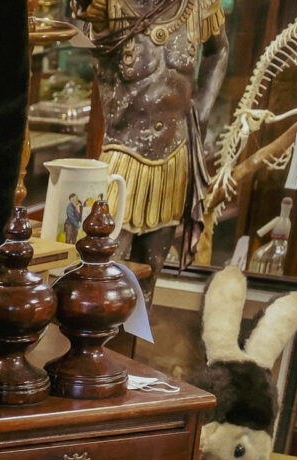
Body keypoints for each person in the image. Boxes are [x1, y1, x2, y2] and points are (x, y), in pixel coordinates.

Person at [75, 0, 229, 278]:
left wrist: (203, 110)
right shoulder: (109, 7)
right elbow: (86, 8)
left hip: (175, 156)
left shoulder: (198, 5)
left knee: (150, 272)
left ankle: (142, 322)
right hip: (122, 159)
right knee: (101, 273)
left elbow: (218, 51)